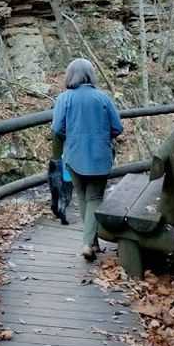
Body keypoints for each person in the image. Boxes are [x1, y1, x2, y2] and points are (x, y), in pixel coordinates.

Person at [51, 58, 123, 260]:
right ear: (91, 74)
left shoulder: (64, 99)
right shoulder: (103, 98)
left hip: (74, 155)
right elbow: (117, 127)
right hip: (100, 156)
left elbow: (57, 129)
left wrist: (72, 135)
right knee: (94, 198)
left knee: (83, 197)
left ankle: (90, 242)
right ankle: (89, 242)